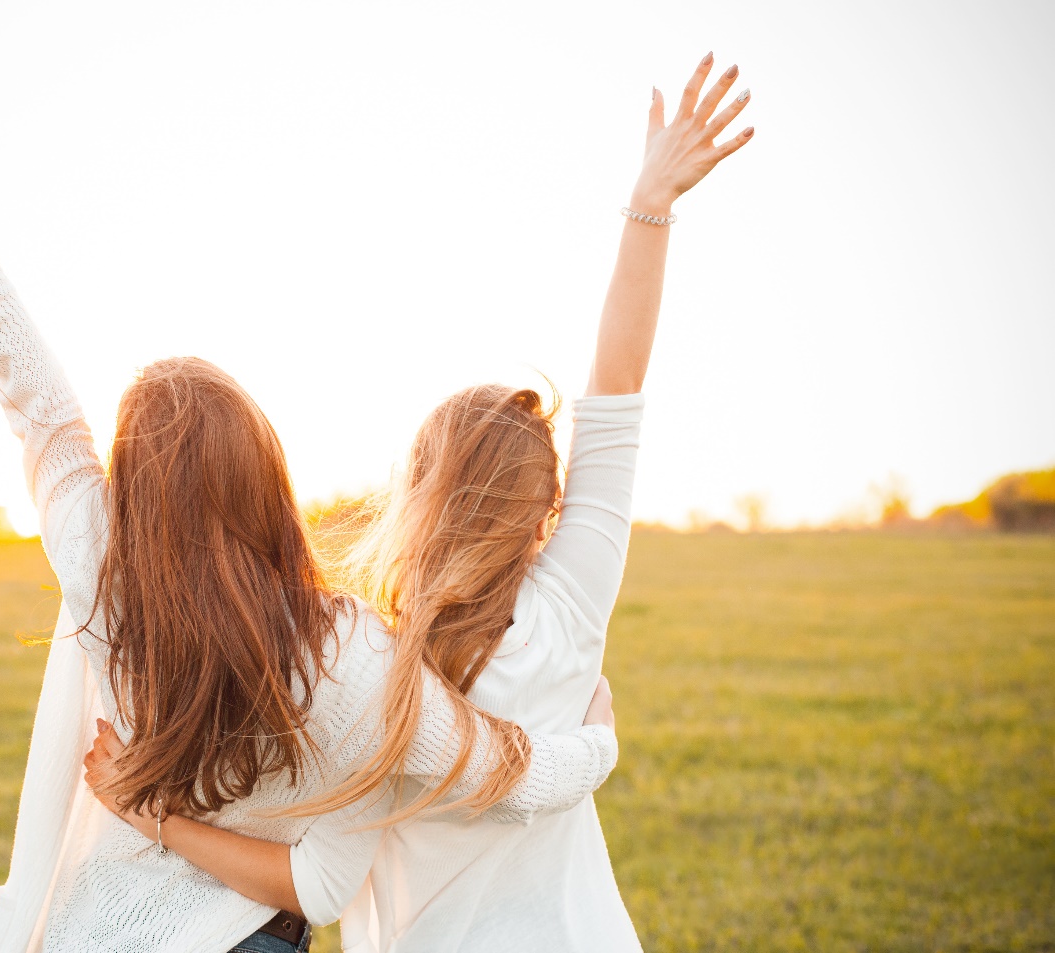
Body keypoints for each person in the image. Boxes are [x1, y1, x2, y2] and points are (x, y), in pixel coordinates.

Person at [0, 66, 624, 953]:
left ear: (134, 494)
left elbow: (31, 391)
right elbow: (510, 772)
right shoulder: (350, 656)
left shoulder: (101, 566)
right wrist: (597, 748)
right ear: (270, 481)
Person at [83, 50, 754, 952]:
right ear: (546, 513)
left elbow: (319, 880)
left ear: (416, 491)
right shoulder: (568, 610)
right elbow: (619, 383)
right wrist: (651, 206)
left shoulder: (370, 668)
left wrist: (149, 809)